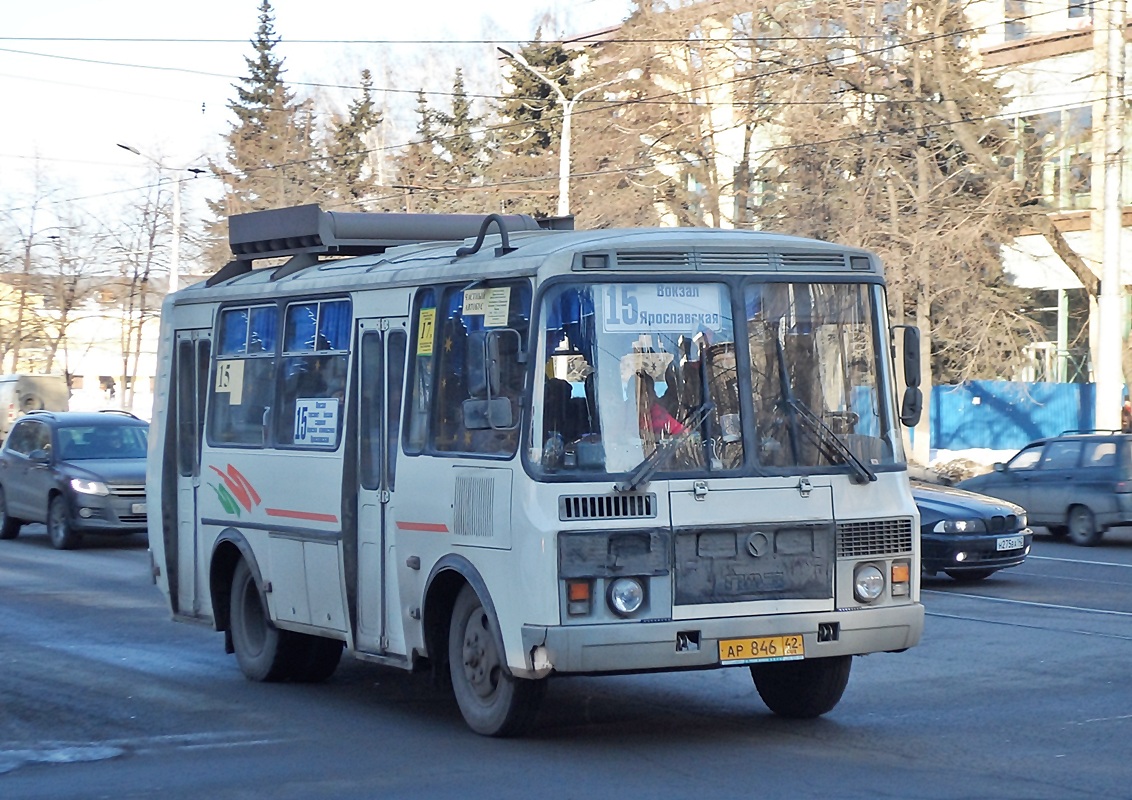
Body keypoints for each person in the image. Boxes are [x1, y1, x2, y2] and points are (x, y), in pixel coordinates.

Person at [637, 372, 685, 436]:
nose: (642, 398)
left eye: (647, 393)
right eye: (637, 394)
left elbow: (684, 434)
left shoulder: (661, 417)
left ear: (653, 395)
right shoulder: (621, 413)